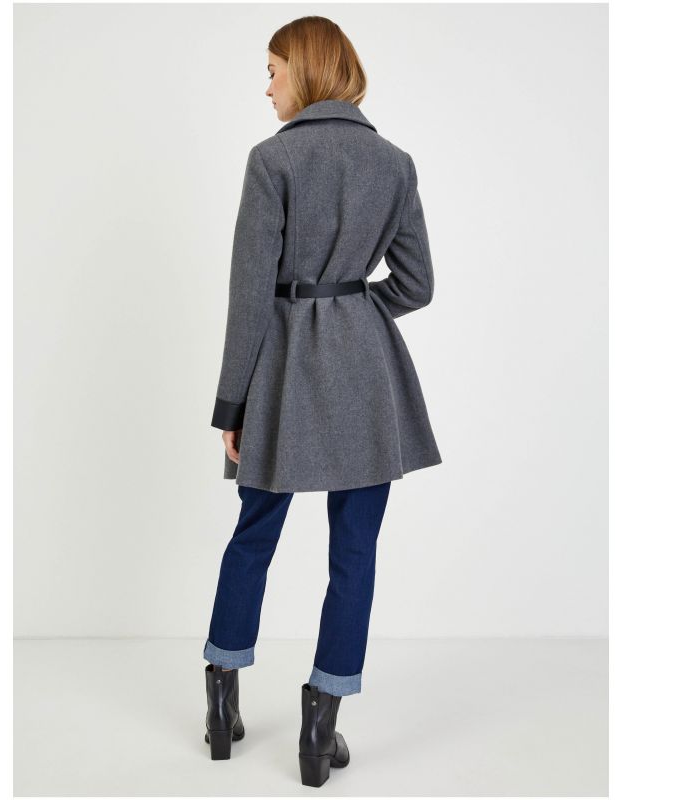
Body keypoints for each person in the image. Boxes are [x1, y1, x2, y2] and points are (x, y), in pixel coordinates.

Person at [202, 15, 442, 786]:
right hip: (366, 379)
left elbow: (249, 297)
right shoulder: (394, 164)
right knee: (356, 550)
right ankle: (321, 723)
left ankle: (220, 701)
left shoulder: (272, 160)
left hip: (280, 374)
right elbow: (417, 284)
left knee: (254, 534)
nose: (267, 86)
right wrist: (354, 315)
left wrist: (231, 407)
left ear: (305, 72)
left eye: (273, 69)